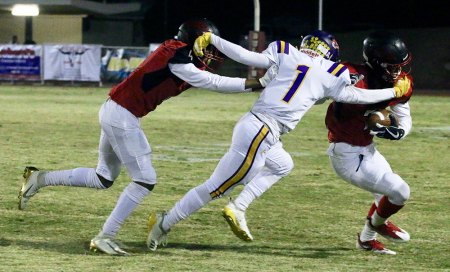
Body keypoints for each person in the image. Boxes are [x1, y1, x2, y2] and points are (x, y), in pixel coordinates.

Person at [18, 18, 274, 256]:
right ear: (194, 39)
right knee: (145, 180)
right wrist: (257, 83)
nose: (210, 52)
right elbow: (214, 83)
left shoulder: (179, 53)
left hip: (117, 110)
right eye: (207, 44)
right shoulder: (177, 56)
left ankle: (39, 179)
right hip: (122, 114)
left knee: (103, 177)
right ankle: (105, 236)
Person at [146, 29, 413, 251]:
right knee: (218, 187)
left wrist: (213, 39)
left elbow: (246, 55)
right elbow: (355, 97)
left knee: (283, 164)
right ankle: (164, 222)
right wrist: (392, 90)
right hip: (263, 130)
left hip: (257, 126)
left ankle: (239, 207)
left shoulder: (287, 51)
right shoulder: (329, 72)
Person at [325, 30, 413, 255]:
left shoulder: (400, 82)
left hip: (368, 149)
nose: (398, 71)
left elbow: (404, 117)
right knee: (400, 191)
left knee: (387, 195)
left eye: (400, 65)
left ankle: (366, 240)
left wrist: (398, 132)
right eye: (392, 66)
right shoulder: (351, 75)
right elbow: (348, 99)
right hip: (346, 154)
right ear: (376, 62)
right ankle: (376, 225)